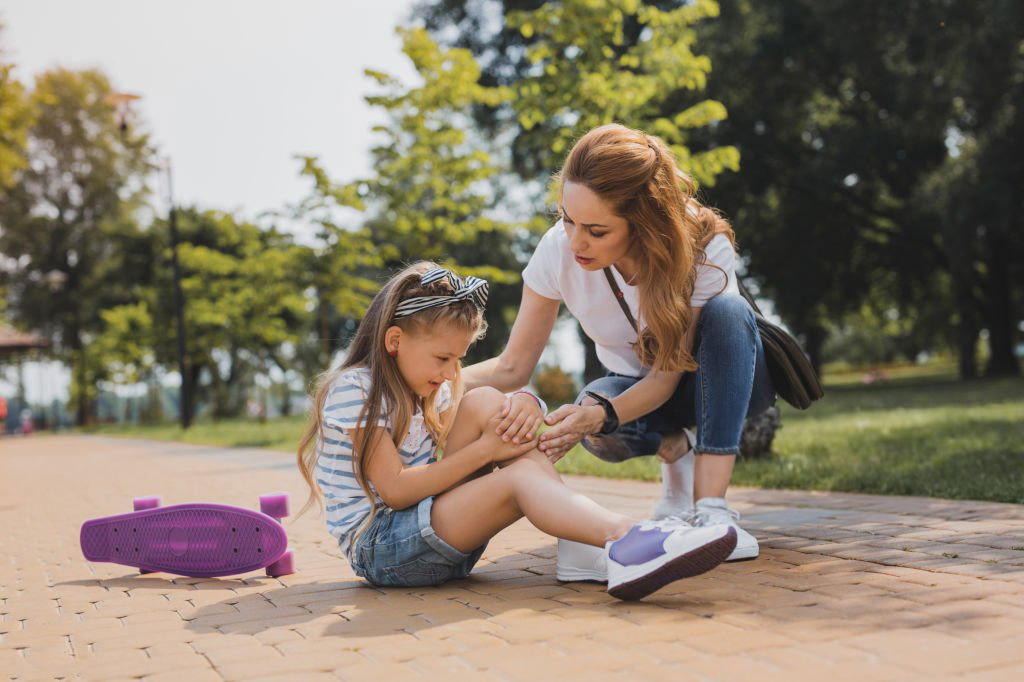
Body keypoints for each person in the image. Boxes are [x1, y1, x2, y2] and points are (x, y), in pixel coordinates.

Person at [296, 262, 736, 600]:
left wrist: (529, 403)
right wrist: (487, 449)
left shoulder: (425, 387)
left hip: (433, 535)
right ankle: (624, 538)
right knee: (517, 475)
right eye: (442, 358)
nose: (452, 373)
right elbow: (394, 491)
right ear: (394, 342)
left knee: (488, 401)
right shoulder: (358, 389)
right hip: (383, 549)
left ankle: (583, 546)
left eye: (459, 359)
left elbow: (499, 391)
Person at [462, 124, 776, 581]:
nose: (575, 242)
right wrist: (414, 382)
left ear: (644, 223)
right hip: (639, 390)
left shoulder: (703, 244)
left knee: (728, 313)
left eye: (596, 230)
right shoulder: (558, 250)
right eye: (567, 219)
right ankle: (675, 452)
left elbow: (666, 381)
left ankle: (712, 510)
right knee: (592, 414)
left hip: (727, 379)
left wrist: (601, 413)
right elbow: (513, 365)